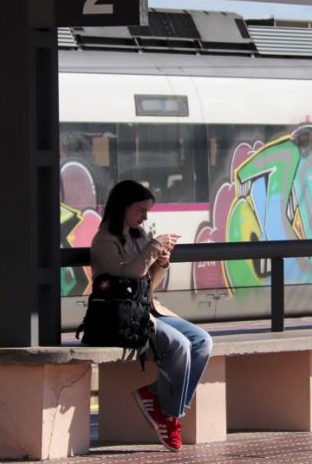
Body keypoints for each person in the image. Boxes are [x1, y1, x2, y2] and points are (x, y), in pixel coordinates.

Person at [90, 180, 212, 452]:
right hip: (122, 316)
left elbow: (148, 284)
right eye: (141, 210)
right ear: (123, 207)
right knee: (179, 345)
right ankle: (170, 417)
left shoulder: (138, 236)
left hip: (146, 310)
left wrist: (162, 262)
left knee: (203, 342)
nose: (145, 217)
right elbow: (128, 274)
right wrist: (153, 248)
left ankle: (156, 396)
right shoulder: (104, 241)